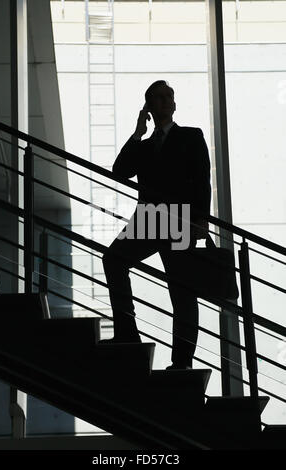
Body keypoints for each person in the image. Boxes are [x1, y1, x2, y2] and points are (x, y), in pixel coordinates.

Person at [101, 80, 211, 370]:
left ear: (174, 104)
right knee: (113, 260)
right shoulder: (144, 145)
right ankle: (127, 332)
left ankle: (182, 362)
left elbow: (203, 179)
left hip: (179, 220)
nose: (165, 101)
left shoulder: (191, 136)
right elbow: (120, 172)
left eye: (169, 97)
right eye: (158, 98)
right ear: (149, 106)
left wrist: (202, 220)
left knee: (182, 293)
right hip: (148, 220)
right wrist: (138, 132)